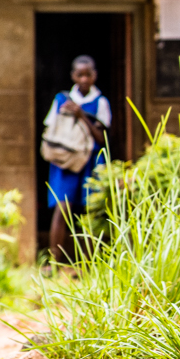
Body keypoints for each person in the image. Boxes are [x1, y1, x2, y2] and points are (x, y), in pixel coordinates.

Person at [42, 54, 112, 261]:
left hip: (91, 161)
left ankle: (88, 263)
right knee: (62, 208)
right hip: (66, 161)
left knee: (90, 210)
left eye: (88, 75)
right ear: (73, 76)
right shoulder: (61, 100)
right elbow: (50, 130)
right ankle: (55, 261)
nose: (84, 79)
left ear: (94, 76)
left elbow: (101, 138)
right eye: (80, 75)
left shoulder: (100, 102)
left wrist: (81, 116)